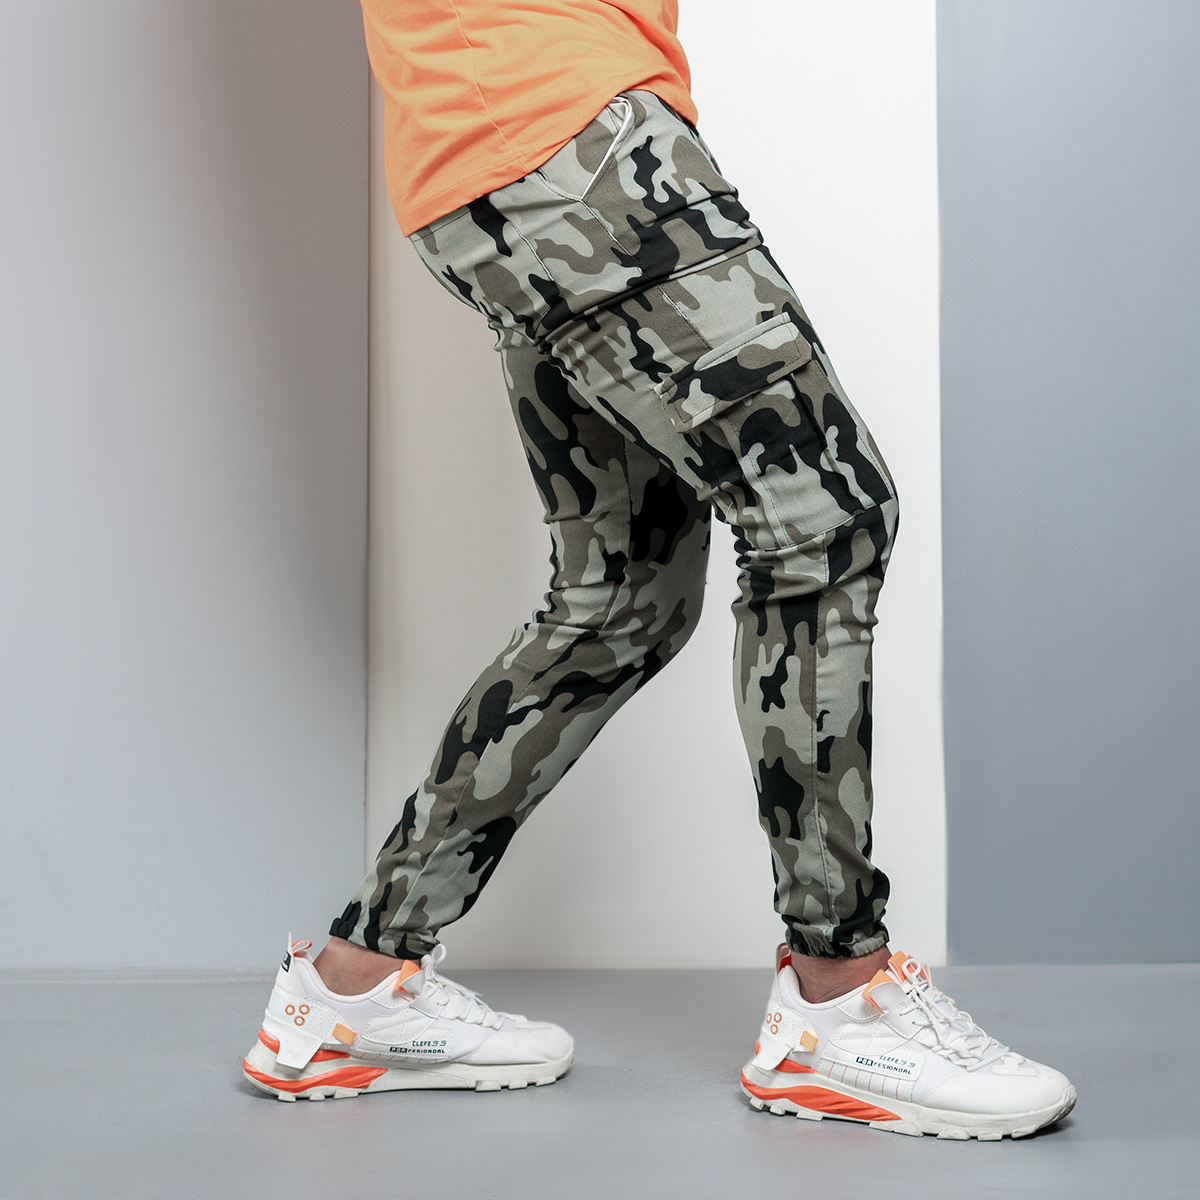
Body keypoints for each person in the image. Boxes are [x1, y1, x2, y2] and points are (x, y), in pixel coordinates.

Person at [241, 1, 1075, 1139]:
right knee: (824, 522)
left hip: (501, 153)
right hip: (564, 131)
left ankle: (355, 987)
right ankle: (841, 1000)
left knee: (622, 598)